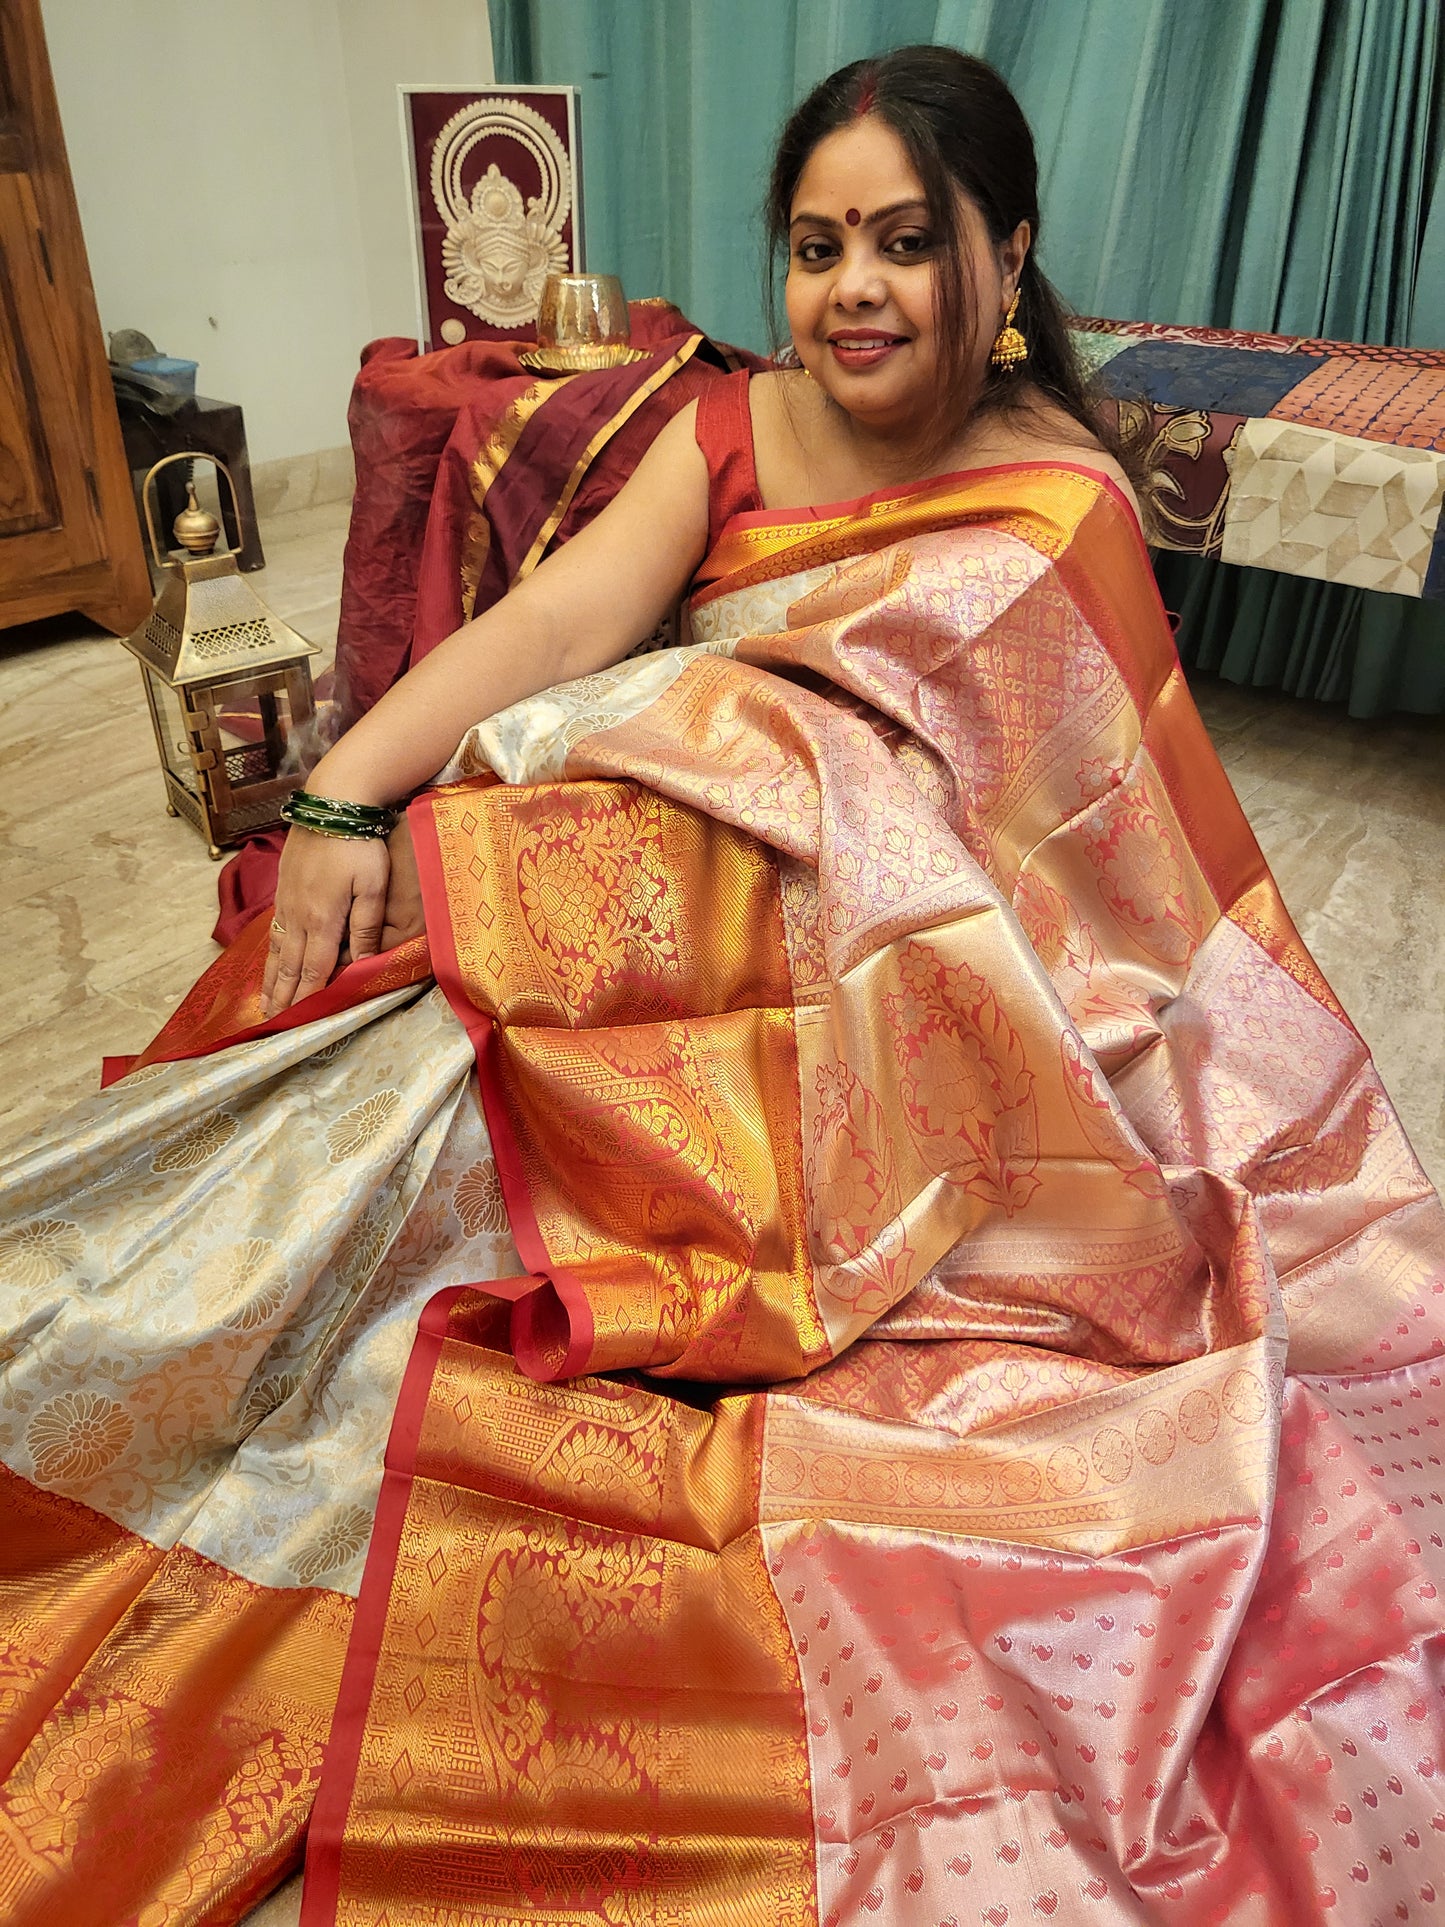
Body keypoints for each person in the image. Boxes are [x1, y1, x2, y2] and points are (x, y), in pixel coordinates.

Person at [2, 45, 1441, 1927]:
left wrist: (858, 864)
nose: (853, 287)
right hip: (619, 911)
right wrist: (347, 788)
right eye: (817, 243)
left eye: (905, 242)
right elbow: (554, 629)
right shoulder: (731, 430)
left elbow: (1101, 884)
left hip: (881, 1038)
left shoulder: (1068, 509)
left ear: (1005, 259)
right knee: (365, 1056)